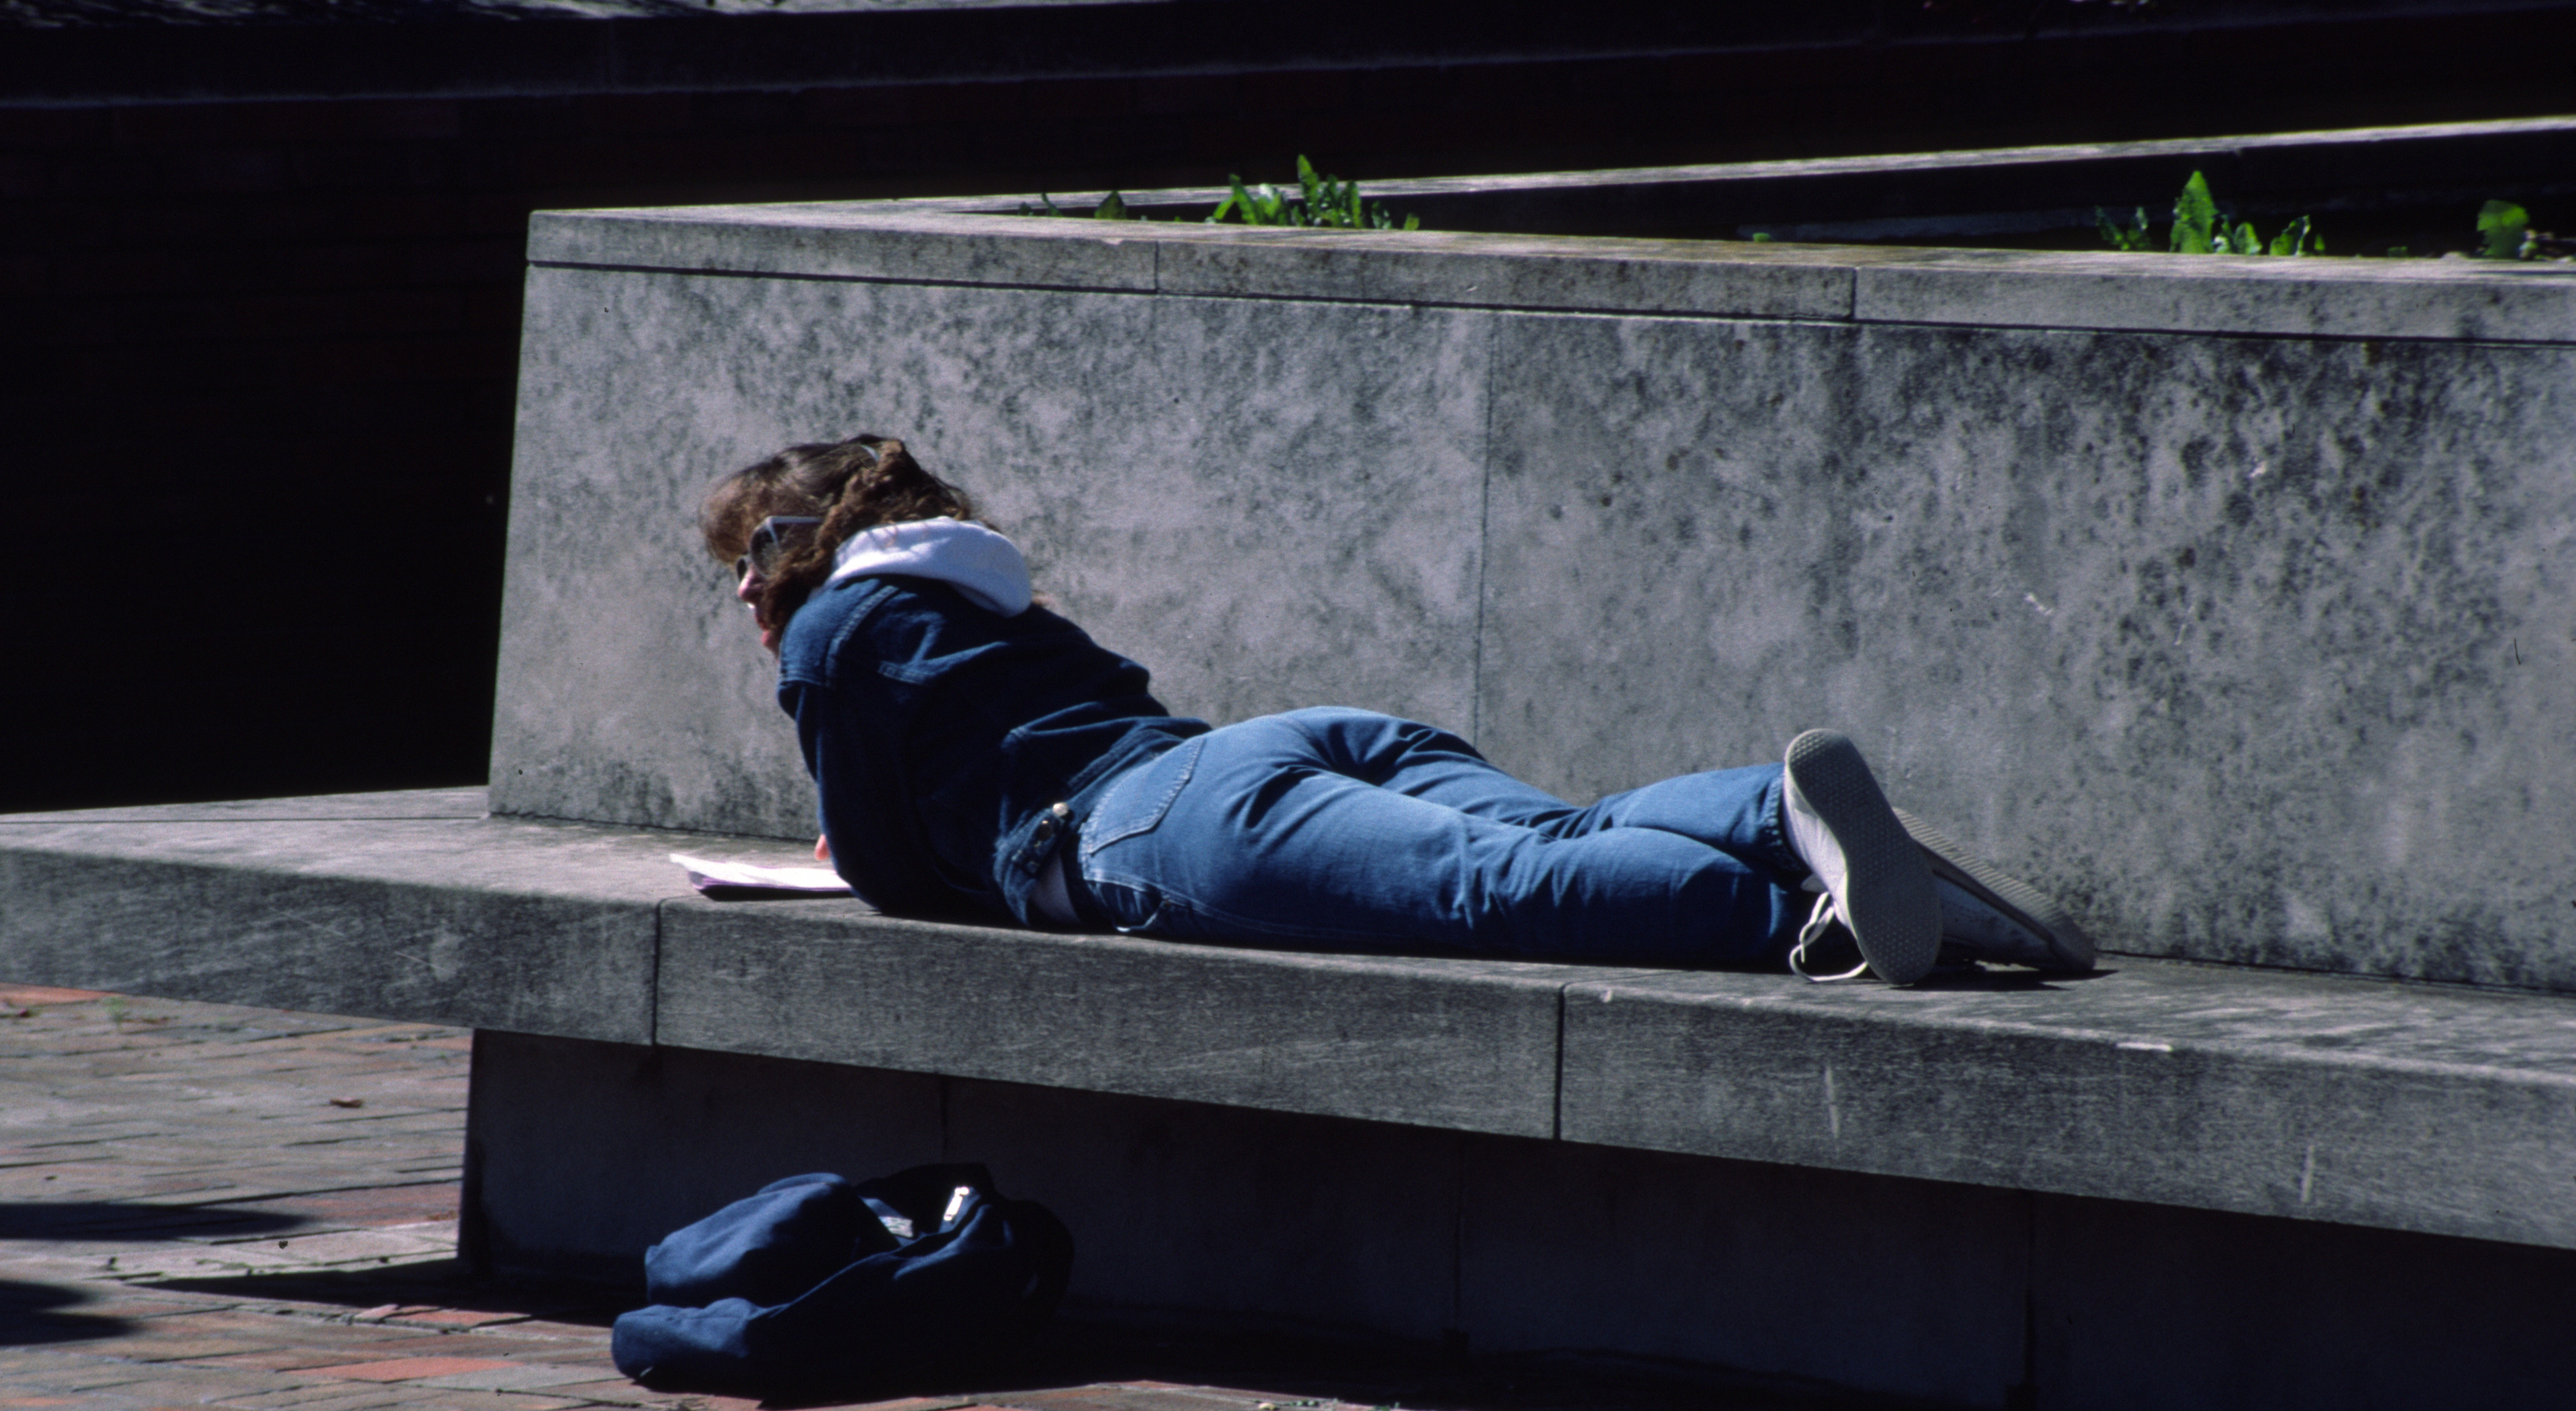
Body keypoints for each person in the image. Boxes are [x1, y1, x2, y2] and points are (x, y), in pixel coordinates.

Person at [701, 436, 2092, 986]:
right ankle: (1787, 817)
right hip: (1263, 749)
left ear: (799, 543)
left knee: (1508, 893)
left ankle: (1808, 918)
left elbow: (893, 878)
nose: (745, 595)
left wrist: (877, 841)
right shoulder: (980, 593)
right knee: (1558, 834)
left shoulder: (832, 632)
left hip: (1150, 827)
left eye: (748, 562)